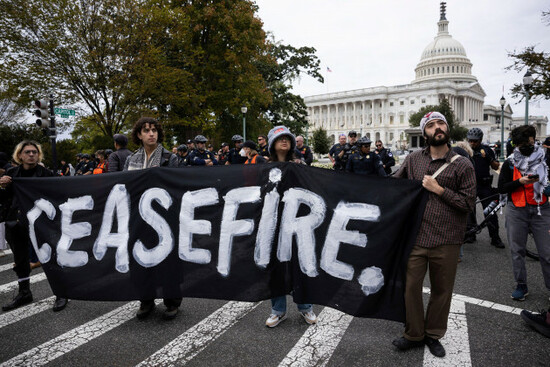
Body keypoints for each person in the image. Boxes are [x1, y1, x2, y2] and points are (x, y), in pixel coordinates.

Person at [392, 111, 476, 358]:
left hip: (447, 240)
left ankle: (433, 334)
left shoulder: (462, 164)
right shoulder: (413, 160)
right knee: (410, 288)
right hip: (416, 237)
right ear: (424, 133)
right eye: (431, 125)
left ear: (447, 129)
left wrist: (439, 190)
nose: (437, 128)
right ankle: (414, 333)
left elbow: (468, 203)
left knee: (442, 290)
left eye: (441, 123)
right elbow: (394, 186)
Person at [0, 140, 68, 312]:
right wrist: (2, 186)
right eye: (28, 152)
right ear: (20, 155)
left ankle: (61, 293)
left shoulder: (46, 174)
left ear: (38, 155)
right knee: (21, 260)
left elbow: (59, 196)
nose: (31, 155)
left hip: (41, 225)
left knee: (50, 258)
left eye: (34, 152)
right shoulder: (12, 173)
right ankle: (24, 292)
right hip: (16, 223)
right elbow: (4, 199)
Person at [123, 117, 181, 319]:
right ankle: (146, 301)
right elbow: (125, 186)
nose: (151, 134)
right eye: (146, 130)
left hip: (164, 216)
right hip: (138, 217)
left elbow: (176, 185)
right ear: (138, 134)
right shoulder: (131, 160)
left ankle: (172, 301)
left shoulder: (169, 158)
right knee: (140, 260)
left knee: (168, 260)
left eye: (154, 130)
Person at [264, 125, 317, 328]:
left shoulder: (299, 164)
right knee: (276, 267)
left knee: (300, 264)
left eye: (287, 138)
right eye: (280, 139)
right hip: (272, 224)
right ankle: (278, 310)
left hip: (297, 223)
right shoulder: (264, 167)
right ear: (272, 144)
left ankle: (306, 307)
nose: (284, 141)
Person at [498, 125, 550, 302]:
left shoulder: (546, 159)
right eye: (520, 144)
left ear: (534, 140)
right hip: (517, 209)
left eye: (527, 143)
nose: (524, 147)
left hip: (541, 209)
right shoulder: (510, 162)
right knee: (517, 250)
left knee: (547, 252)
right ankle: (521, 285)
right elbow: (502, 187)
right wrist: (520, 181)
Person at [466, 128, 504, 248]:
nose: (472, 143)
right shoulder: (465, 151)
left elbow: (496, 166)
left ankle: (495, 238)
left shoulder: (486, 149)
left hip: (484, 186)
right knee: (469, 211)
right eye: (470, 141)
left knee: (489, 211)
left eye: (475, 141)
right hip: (469, 186)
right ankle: (470, 235)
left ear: (480, 140)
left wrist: (488, 158)